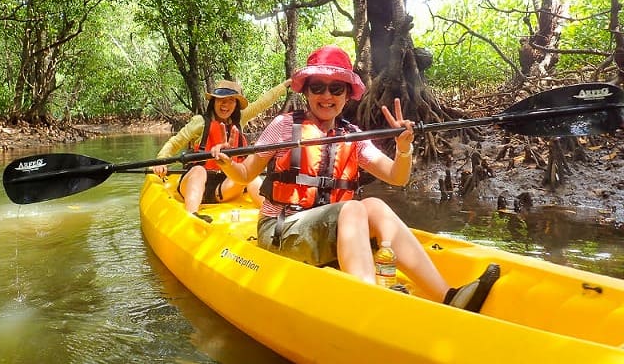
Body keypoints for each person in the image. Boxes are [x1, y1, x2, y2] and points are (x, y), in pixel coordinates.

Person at [211, 45, 500, 311]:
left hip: (329, 234)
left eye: (336, 89)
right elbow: (246, 173)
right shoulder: (284, 126)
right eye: (318, 88)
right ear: (307, 93)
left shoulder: (353, 136)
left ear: (347, 95)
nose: (327, 96)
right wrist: (226, 163)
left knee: (373, 206)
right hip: (282, 231)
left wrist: (403, 148)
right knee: (352, 209)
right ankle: (368, 299)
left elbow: (396, 177)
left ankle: (447, 296)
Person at [152, 78, 291, 217]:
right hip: (196, 182)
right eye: (221, 100)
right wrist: (162, 160)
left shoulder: (239, 120)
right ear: (214, 102)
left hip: (223, 189)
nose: (226, 104)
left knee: (250, 175)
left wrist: (285, 85)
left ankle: (272, 217)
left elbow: (263, 102)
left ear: (236, 104)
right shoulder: (200, 122)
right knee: (199, 170)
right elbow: (175, 142)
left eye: (231, 100)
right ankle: (192, 215)